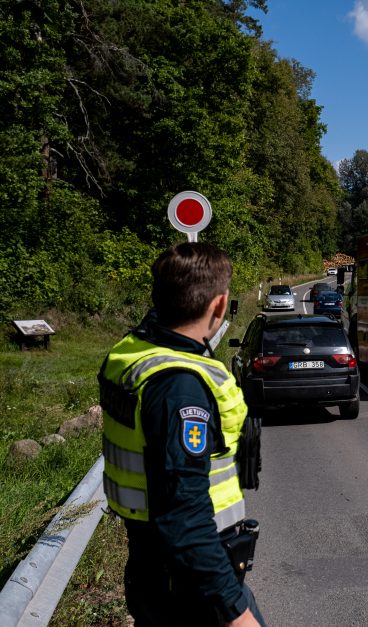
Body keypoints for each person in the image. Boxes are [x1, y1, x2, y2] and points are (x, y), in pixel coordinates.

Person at [100, 242, 265, 626]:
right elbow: (183, 515)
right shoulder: (179, 388)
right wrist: (235, 612)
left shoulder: (140, 351)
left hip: (157, 570)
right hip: (191, 587)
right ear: (220, 305)